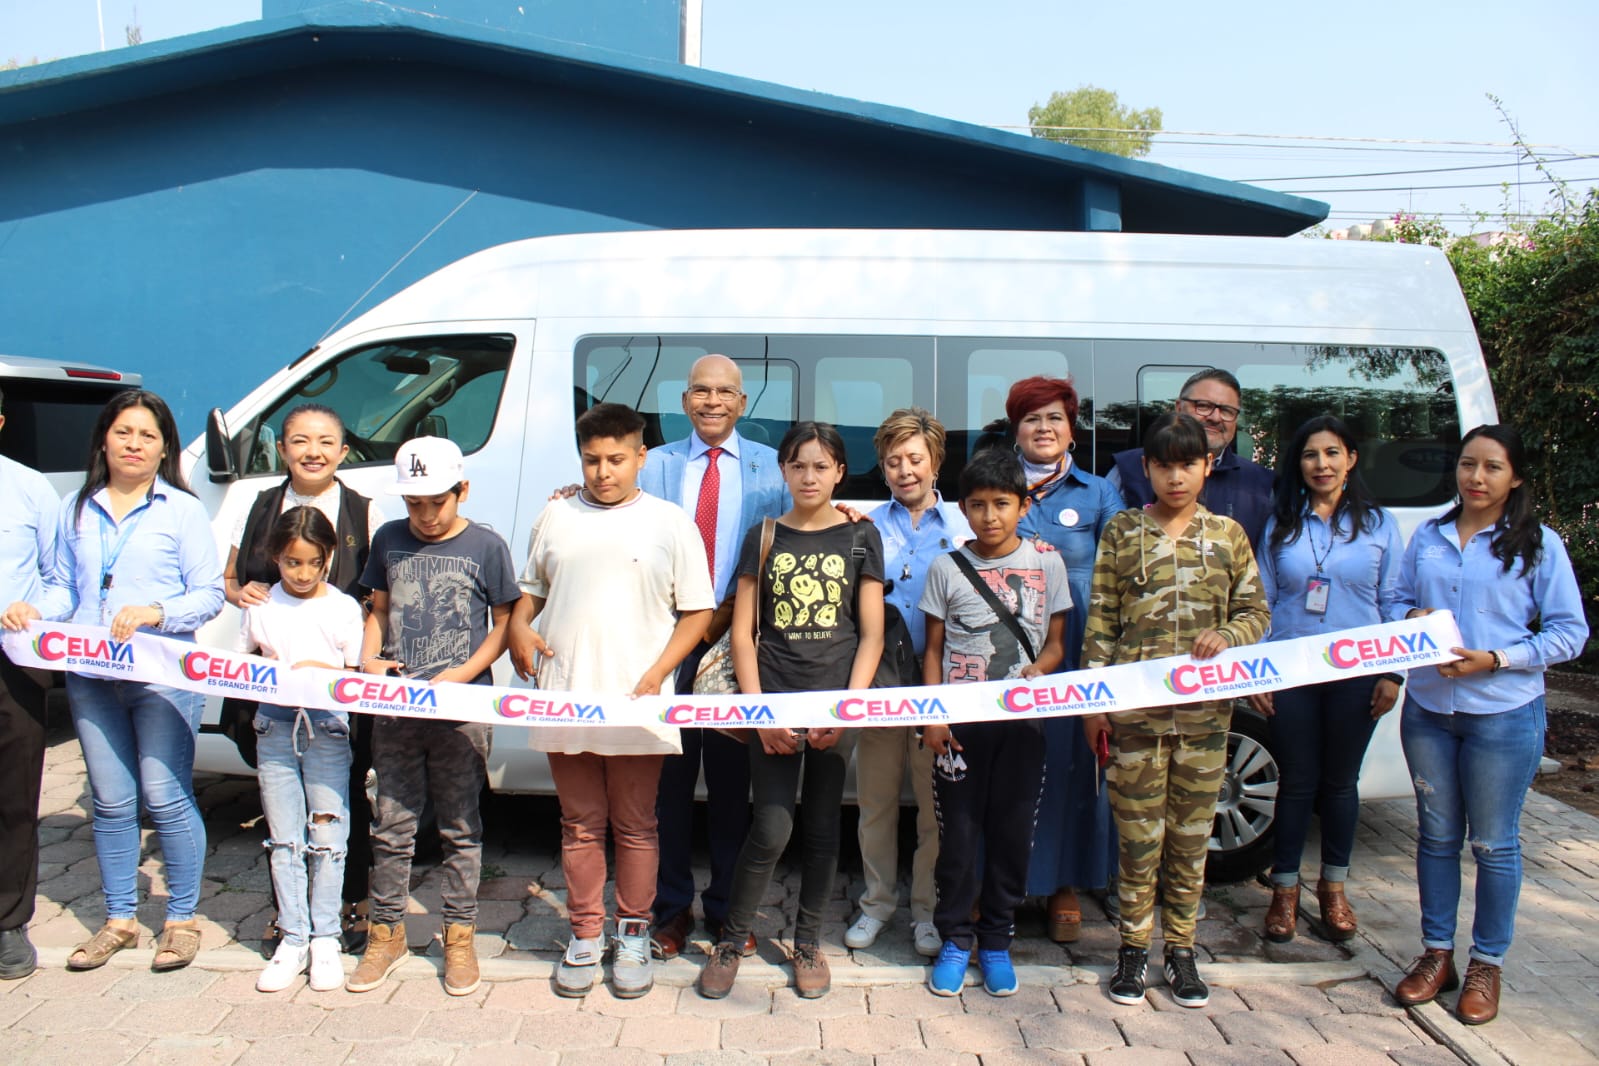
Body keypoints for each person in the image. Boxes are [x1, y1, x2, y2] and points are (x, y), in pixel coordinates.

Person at [3, 390, 225, 973]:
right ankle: (120, 919)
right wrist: (34, 610)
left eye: (148, 436)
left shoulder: (181, 510)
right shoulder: (75, 507)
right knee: (110, 801)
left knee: (165, 795)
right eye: (124, 432)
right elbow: (62, 587)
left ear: (164, 448)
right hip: (91, 676)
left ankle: (181, 918)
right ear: (104, 439)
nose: (134, 444)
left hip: (160, 676)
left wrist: (156, 612)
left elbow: (208, 595)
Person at [510, 403, 715, 999]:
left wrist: (658, 673)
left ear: (641, 457)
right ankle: (583, 934)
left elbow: (697, 611)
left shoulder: (670, 523)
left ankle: (631, 934)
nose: (603, 472)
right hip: (566, 694)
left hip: (636, 702)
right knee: (579, 825)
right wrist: (520, 627)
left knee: (636, 825)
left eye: (616, 459)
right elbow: (531, 592)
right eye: (592, 460)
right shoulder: (555, 515)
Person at [1391, 424, 1588, 1026]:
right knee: (1436, 836)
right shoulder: (1429, 535)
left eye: (1492, 467)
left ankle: (1487, 963)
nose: (1476, 477)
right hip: (1429, 711)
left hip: (1503, 714)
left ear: (1516, 477)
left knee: (1494, 843)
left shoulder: (1539, 544)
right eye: (1467, 464)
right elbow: (1392, 601)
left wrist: (1496, 659)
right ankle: (1437, 954)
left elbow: (1569, 633)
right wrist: (1413, 615)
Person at [1081, 412, 1269, 1009]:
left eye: (1187, 464)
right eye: (1163, 465)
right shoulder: (1123, 532)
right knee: (1138, 840)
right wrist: (1093, 706)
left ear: (1207, 466)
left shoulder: (1228, 536)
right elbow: (1102, 622)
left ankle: (1182, 950)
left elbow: (1256, 613)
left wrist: (1229, 635)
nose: (1176, 477)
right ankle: (1133, 949)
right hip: (1135, 719)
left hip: (1205, 720)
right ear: (1147, 468)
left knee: (1190, 840)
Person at [696, 421, 885, 1001]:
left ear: (839, 472)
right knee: (771, 827)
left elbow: (871, 634)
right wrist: (760, 714)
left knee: (824, 829)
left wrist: (846, 712)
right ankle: (732, 940)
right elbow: (743, 633)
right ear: (783, 470)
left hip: (834, 709)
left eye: (821, 466)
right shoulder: (764, 536)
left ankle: (808, 943)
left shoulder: (861, 536)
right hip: (772, 704)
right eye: (798, 465)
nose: (809, 476)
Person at [347, 437, 521, 997]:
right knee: (391, 823)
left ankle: (459, 935)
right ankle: (386, 933)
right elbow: (378, 610)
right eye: (414, 503)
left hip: (460, 711)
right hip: (397, 709)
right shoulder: (388, 539)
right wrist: (370, 661)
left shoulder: (487, 546)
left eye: (436, 502)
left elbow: (503, 624)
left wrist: (462, 675)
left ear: (461, 490)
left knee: (460, 825)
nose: (425, 515)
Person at [639, 354, 788, 961]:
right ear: (684, 401)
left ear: (742, 403)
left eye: (725, 392)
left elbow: (801, 526)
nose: (712, 401)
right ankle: (671, 909)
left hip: (735, 640)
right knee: (668, 785)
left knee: (731, 787)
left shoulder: (771, 468)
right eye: (701, 391)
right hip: (666, 637)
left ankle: (729, 910)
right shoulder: (653, 464)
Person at [226, 402, 384, 952]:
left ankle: (353, 900)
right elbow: (231, 578)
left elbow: (378, 595)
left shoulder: (363, 510)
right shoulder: (259, 505)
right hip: (273, 686)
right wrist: (242, 593)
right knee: (280, 802)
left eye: (324, 442)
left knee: (345, 793)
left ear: (343, 451)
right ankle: (287, 913)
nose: (312, 452)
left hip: (336, 686)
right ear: (282, 448)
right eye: (299, 441)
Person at [1250, 415, 1404, 945]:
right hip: (1292, 670)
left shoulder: (1379, 524)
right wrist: (1258, 671)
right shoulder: (1281, 523)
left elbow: (1394, 601)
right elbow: (1263, 601)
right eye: (1310, 454)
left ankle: (1333, 888)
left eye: (1333, 453)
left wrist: (1393, 672)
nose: (1322, 464)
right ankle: (1284, 890)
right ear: (1298, 464)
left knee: (1340, 784)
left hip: (1357, 672)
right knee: (1296, 782)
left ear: (1351, 459)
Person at [920, 449, 1069, 997]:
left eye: (1002, 504)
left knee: (1012, 835)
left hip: (1022, 727)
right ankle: (956, 938)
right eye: (978, 505)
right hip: (960, 728)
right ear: (963, 508)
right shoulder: (946, 568)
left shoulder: (1047, 564)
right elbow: (932, 650)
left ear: (1023, 506)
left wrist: (1038, 670)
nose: (990, 516)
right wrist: (934, 718)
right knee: (958, 841)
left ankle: (998, 940)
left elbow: (1056, 644)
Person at [1004, 376, 1123, 943]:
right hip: (1006, 642)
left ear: (1072, 428)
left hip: (1076, 646)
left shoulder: (1097, 494)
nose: (1043, 428)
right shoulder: (996, 482)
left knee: (1074, 766)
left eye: (1054, 417)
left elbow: (1123, 568)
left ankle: (1065, 885)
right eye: (1032, 418)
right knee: (1011, 766)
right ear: (1016, 429)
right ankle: (1003, 884)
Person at [241, 507, 366, 993]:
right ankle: (293, 937)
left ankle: (326, 938)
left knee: (329, 833)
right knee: (284, 836)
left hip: (327, 725)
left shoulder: (342, 607)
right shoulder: (261, 604)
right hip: (273, 724)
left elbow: (355, 674)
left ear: (328, 558)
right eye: (293, 562)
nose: (303, 573)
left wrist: (323, 672)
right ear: (276, 557)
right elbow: (241, 662)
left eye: (314, 562)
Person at [844, 408, 951, 959]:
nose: (904, 470)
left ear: (935, 463)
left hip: (940, 688)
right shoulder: (862, 526)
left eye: (914, 459)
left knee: (935, 812)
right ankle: (877, 904)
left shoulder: (962, 529)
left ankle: (927, 912)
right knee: (876, 803)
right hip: (881, 684)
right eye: (893, 462)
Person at [0, 386, 61, 980]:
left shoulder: (29, 488)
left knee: (14, 797)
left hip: (12, 660)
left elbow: (59, 579)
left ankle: (8, 921)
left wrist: (36, 608)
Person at [1107, 368, 1274, 550]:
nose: (1215, 417)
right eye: (1203, 406)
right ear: (1179, 407)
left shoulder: (1261, 484)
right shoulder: (1128, 469)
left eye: (1227, 410)